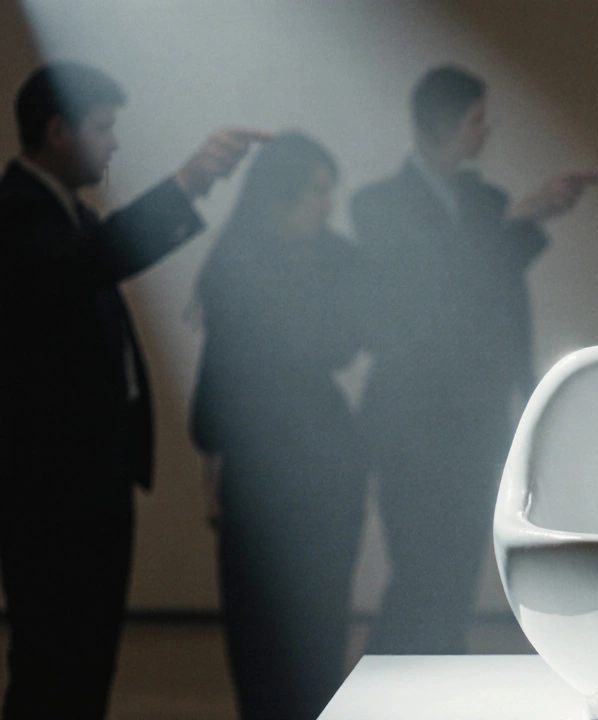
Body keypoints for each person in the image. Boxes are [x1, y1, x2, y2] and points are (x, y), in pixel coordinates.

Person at [0, 62, 265, 719]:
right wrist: (189, 183)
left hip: (85, 485)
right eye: (103, 128)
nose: (114, 143)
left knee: (84, 665)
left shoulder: (68, 216)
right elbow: (90, 265)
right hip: (50, 494)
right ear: (58, 131)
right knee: (53, 666)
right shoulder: (17, 215)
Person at [352, 64, 598, 654]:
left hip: (476, 418)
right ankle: (392, 686)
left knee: (456, 577)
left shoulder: (486, 201)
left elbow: (498, 300)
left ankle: (429, 687)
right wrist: (518, 220)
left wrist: (526, 398)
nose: (485, 130)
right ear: (442, 122)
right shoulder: (378, 206)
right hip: (409, 423)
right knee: (421, 574)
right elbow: (426, 290)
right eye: (475, 118)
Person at [189, 132, 368, 719]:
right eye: (317, 191)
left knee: (302, 638)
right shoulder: (268, 264)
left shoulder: (249, 262)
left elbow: (220, 384)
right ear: (279, 194)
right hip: (287, 465)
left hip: (290, 465)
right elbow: (332, 345)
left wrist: (212, 460)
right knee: (276, 640)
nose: (326, 204)